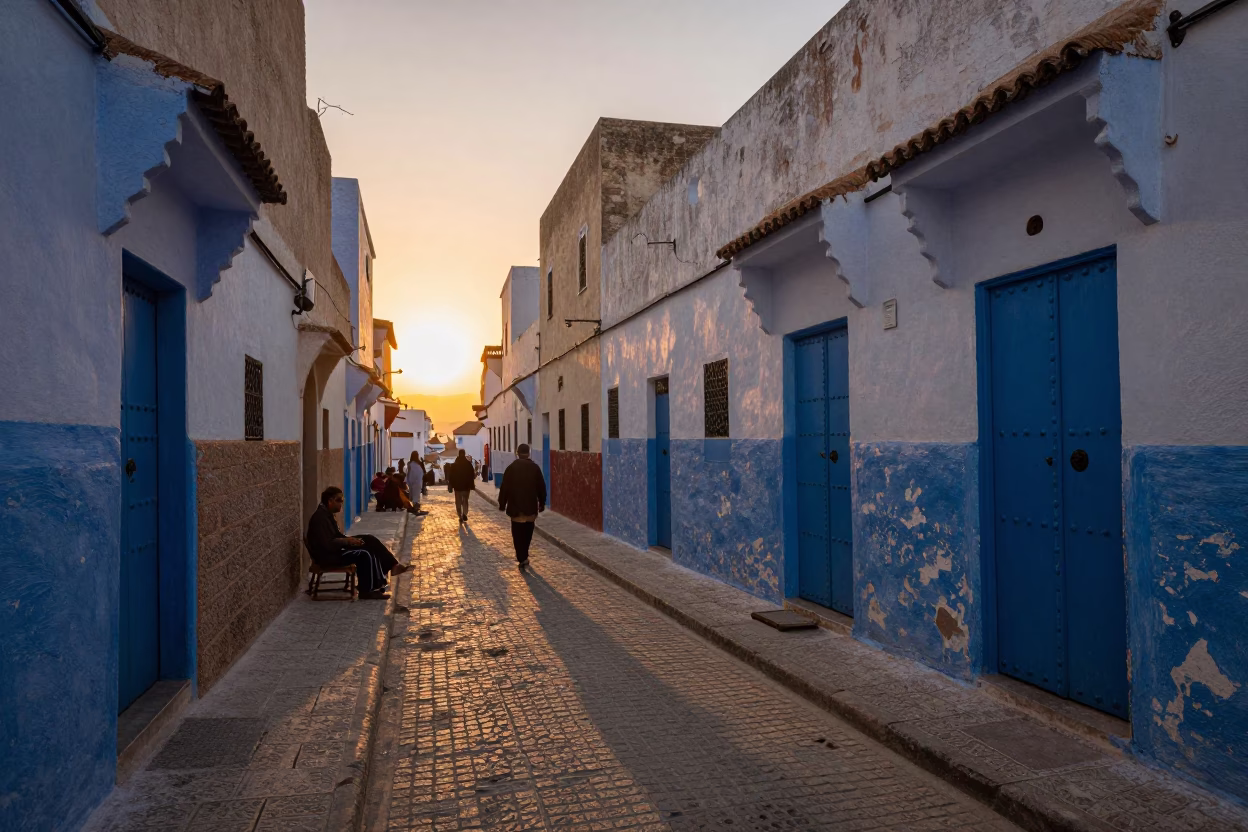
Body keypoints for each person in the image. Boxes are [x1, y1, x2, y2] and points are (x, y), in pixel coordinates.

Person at [306, 486, 407, 599]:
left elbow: (336, 537)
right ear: (330, 501)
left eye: (342, 501)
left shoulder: (327, 514)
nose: (341, 504)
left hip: (335, 550)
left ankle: (392, 566)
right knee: (365, 553)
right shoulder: (320, 518)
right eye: (339, 500)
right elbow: (326, 544)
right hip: (328, 556)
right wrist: (346, 541)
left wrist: (351, 540)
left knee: (369, 540)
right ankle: (367, 590)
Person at [497, 443, 546, 570]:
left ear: (517, 453)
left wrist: (502, 504)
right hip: (530, 507)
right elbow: (541, 487)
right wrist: (542, 503)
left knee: (517, 534)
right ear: (528, 453)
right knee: (528, 533)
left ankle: (521, 557)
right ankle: (524, 555)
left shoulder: (511, 468)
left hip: (515, 508)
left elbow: (504, 488)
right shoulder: (535, 468)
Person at [446, 449, 477, 524]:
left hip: (457, 487)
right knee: (465, 501)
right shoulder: (468, 464)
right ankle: (465, 514)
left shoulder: (455, 465)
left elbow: (451, 476)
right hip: (466, 487)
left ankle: (460, 516)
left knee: (458, 502)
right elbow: (472, 475)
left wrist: (451, 485)